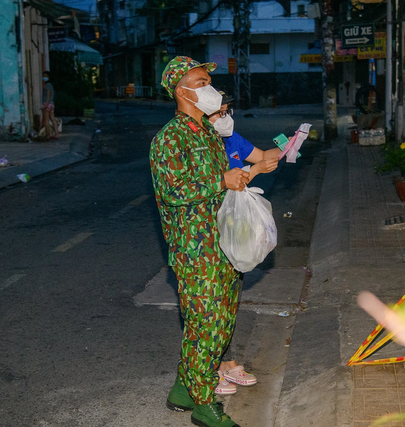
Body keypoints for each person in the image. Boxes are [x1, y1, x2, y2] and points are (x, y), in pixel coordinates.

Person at [150, 56, 249, 427]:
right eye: (201, 80)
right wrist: (222, 181)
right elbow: (174, 192)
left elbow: (221, 178)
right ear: (181, 89)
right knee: (205, 323)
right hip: (195, 251)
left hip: (222, 242)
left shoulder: (208, 132)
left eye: (210, 80)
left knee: (220, 322)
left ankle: (183, 386)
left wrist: (240, 176)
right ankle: (205, 405)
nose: (211, 87)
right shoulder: (169, 139)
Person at [206, 92, 280, 395]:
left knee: (229, 300)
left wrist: (289, 145)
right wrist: (254, 172)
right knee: (210, 302)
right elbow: (225, 184)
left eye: (228, 111)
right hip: (209, 232)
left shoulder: (232, 138)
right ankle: (211, 367)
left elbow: (263, 156)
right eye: (219, 113)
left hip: (234, 230)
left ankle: (226, 360)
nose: (225, 117)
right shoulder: (203, 146)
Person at [41, 71, 58, 140]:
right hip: (51, 104)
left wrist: (46, 104)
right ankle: (57, 134)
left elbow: (48, 95)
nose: (44, 77)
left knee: (46, 120)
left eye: (45, 76)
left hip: (47, 103)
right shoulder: (51, 85)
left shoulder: (47, 85)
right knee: (53, 119)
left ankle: (48, 134)